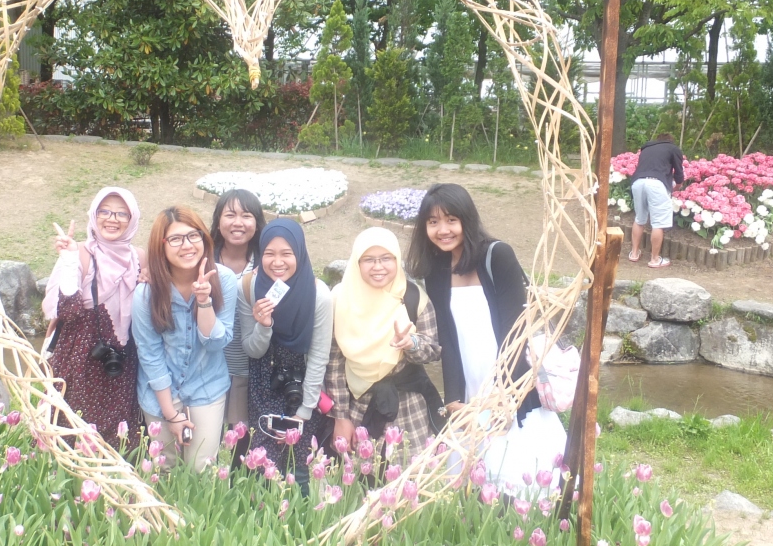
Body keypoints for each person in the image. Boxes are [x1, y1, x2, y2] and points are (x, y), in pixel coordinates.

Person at [406, 183, 565, 491]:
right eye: (433, 222)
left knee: (524, 475)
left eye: (451, 220)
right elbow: (447, 338)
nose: (442, 230)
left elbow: (516, 331)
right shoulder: (436, 269)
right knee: (472, 474)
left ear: (466, 219)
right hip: (470, 378)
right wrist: (453, 398)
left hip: (509, 376)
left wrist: (506, 395)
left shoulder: (497, 256)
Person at [130, 207, 236, 471]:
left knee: (201, 470)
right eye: (176, 239)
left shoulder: (223, 279)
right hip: (160, 393)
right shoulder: (146, 294)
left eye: (193, 236)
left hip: (207, 387)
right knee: (164, 469)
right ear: (161, 246)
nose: (187, 245)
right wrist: (171, 414)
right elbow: (150, 355)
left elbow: (216, 343)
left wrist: (204, 301)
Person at [325, 227, 442, 463]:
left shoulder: (413, 297)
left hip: (408, 405)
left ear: (397, 259)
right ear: (357, 262)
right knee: (361, 475)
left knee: (411, 473)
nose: (378, 267)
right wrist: (341, 417)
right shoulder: (341, 300)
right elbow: (334, 364)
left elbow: (433, 350)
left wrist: (411, 343)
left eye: (386, 258)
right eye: (369, 259)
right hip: (360, 404)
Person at [41, 187, 144, 448]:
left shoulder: (140, 257)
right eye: (104, 211)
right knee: (71, 433)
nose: (112, 219)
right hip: (79, 359)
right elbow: (66, 311)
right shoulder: (80, 253)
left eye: (122, 213)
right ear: (94, 215)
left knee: (119, 440)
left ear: (132, 219)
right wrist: (68, 261)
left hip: (122, 363)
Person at [238, 218, 332, 483]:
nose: (277, 262)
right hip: (263, 386)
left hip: (302, 388)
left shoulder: (319, 295)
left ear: (299, 254)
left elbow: (319, 356)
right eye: (269, 253)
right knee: (262, 470)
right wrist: (264, 325)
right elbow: (252, 351)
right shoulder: (249, 287)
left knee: (300, 469)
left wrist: (303, 413)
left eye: (286, 254)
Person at [210, 189, 265, 447]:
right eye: (230, 215)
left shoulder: (267, 263)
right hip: (208, 369)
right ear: (218, 220)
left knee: (242, 450)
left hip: (249, 370)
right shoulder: (201, 260)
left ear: (257, 222)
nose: (238, 223)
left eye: (247, 215)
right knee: (204, 445)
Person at [628, 132, 685, 269]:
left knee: (639, 219)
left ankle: (634, 253)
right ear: (670, 141)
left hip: (638, 182)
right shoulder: (673, 149)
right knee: (658, 223)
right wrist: (676, 187)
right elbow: (678, 174)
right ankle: (654, 259)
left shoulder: (646, 148)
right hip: (656, 184)